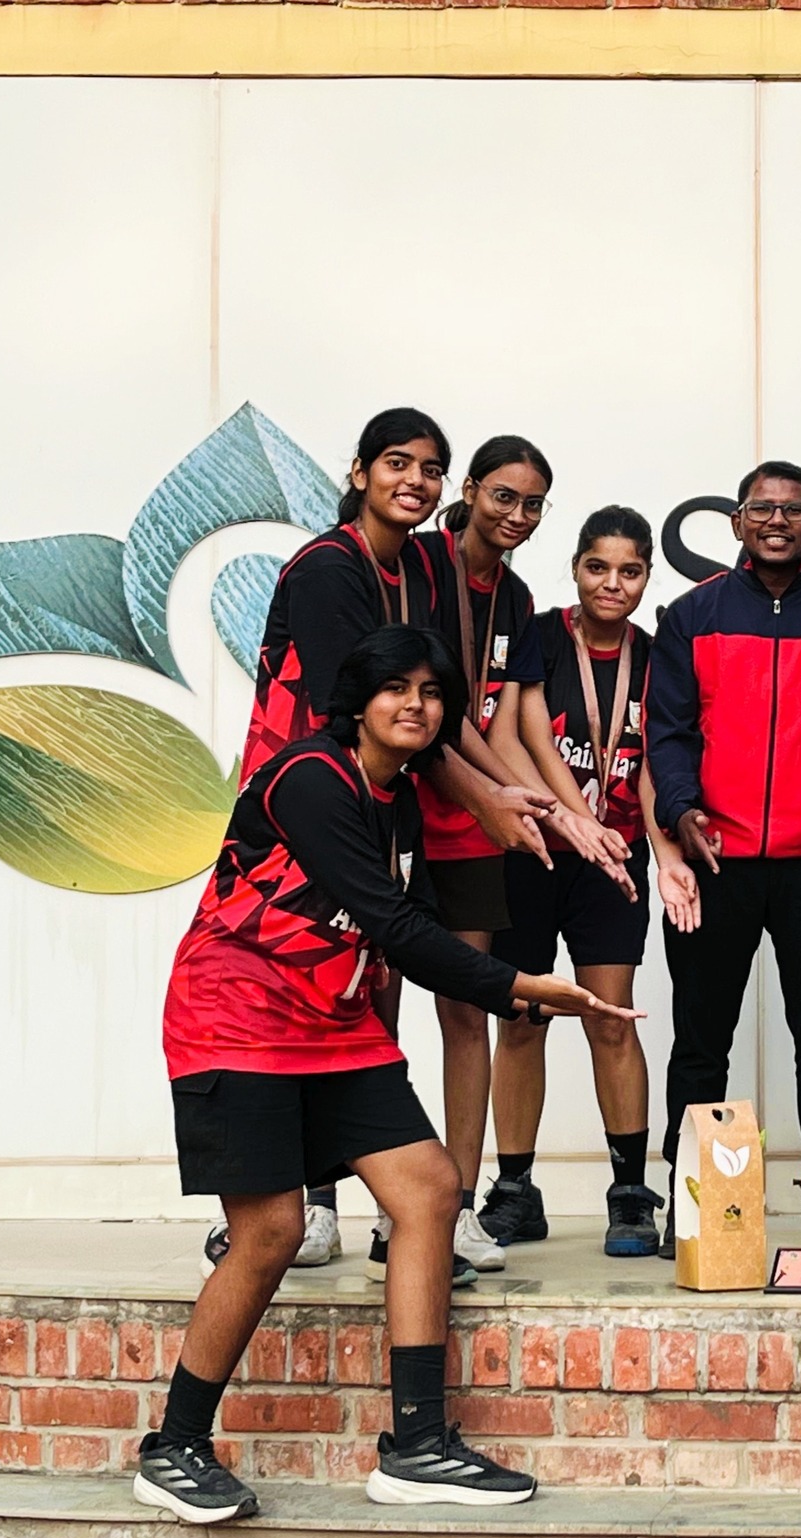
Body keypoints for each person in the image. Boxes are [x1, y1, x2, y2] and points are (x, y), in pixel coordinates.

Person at [140, 627, 636, 1524]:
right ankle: (173, 1446)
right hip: (238, 1016)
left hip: (334, 1024)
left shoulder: (399, 797)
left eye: (433, 692)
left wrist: (515, 991)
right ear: (358, 701)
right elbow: (392, 924)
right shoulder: (310, 778)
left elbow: (406, 932)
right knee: (270, 1232)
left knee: (429, 1190)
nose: (416, 704)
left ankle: (416, 1446)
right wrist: (520, 988)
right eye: (396, 688)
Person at [211, 409, 551, 1276]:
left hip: (385, 805)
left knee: (374, 998)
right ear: (360, 472)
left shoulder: (413, 572)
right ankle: (305, 1207)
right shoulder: (329, 567)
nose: (415, 480)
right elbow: (353, 708)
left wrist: (505, 797)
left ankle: (407, 1211)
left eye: (429, 468)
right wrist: (485, 797)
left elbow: (432, 715)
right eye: (398, 463)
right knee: (311, 998)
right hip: (304, 817)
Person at [408, 436, 629, 1276]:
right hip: (399, 809)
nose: (517, 515)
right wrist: (543, 808)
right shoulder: (420, 569)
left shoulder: (517, 596)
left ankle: (460, 1207)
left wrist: (559, 813)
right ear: (468, 489)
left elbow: (507, 726)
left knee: (469, 1013)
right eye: (504, 496)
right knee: (362, 1012)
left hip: (474, 825)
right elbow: (439, 714)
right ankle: (323, 1202)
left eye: (533, 504)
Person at [647, 459, 801, 1250]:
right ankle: (691, 1206)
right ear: (738, 521)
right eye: (762, 508)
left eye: (793, 509)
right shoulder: (691, 615)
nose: (777, 521)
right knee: (701, 1044)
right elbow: (668, 733)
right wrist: (681, 811)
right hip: (716, 861)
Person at [483, 507, 699, 1258]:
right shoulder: (540, 635)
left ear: (647, 577)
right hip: (532, 852)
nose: (613, 583)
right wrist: (570, 819)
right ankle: (515, 1190)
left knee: (611, 1017)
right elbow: (509, 739)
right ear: (575, 567)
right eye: (597, 567)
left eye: (630, 571)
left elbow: (650, 766)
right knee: (521, 1017)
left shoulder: (658, 653)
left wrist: (664, 854)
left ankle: (630, 1194)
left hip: (614, 859)